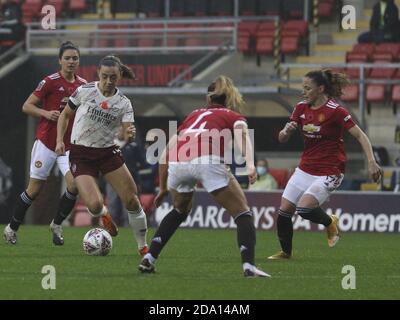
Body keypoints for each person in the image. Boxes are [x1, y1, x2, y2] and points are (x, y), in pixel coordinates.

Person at [139, 75, 270, 277]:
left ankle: (149, 258)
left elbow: (165, 153)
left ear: (208, 99)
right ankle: (249, 266)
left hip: (178, 162)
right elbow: (242, 135)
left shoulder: (193, 115)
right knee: (242, 213)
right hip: (207, 160)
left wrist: (163, 187)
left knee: (180, 210)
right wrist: (250, 164)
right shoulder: (232, 115)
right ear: (230, 99)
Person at [268, 69, 382, 260]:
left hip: (330, 171)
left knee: (304, 209)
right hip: (305, 168)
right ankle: (286, 253)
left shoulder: (336, 111)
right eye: (302, 87)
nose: (303, 91)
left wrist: (372, 162)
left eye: (307, 88)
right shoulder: (300, 108)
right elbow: (281, 139)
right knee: (284, 212)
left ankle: (330, 222)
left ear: (320, 89)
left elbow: (360, 136)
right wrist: (286, 131)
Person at [55, 55, 149, 256]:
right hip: (81, 153)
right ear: (98, 73)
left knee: (132, 200)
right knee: (95, 205)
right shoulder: (85, 91)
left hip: (108, 152)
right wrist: (59, 141)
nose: (108, 81)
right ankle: (104, 215)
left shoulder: (124, 103)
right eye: (105, 76)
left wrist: (129, 134)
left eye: (113, 77)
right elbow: (65, 115)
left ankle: (143, 246)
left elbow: (126, 134)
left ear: (119, 77)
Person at [3, 41, 87, 246]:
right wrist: (46, 113)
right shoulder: (49, 81)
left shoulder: (83, 86)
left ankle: (56, 224)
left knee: (74, 185)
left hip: (68, 146)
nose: (71, 61)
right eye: (67, 58)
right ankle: (12, 227)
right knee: (34, 190)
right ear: (60, 60)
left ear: (78, 61)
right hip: (47, 143)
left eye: (74, 58)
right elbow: (27, 106)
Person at [106, 125, 146, 226]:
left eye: (123, 130)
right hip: (112, 179)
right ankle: (112, 227)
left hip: (130, 179)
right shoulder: (109, 145)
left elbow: (142, 161)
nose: (121, 132)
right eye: (119, 129)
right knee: (112, 206)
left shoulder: (134, 145)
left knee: (129, 206)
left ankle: (129, 228)